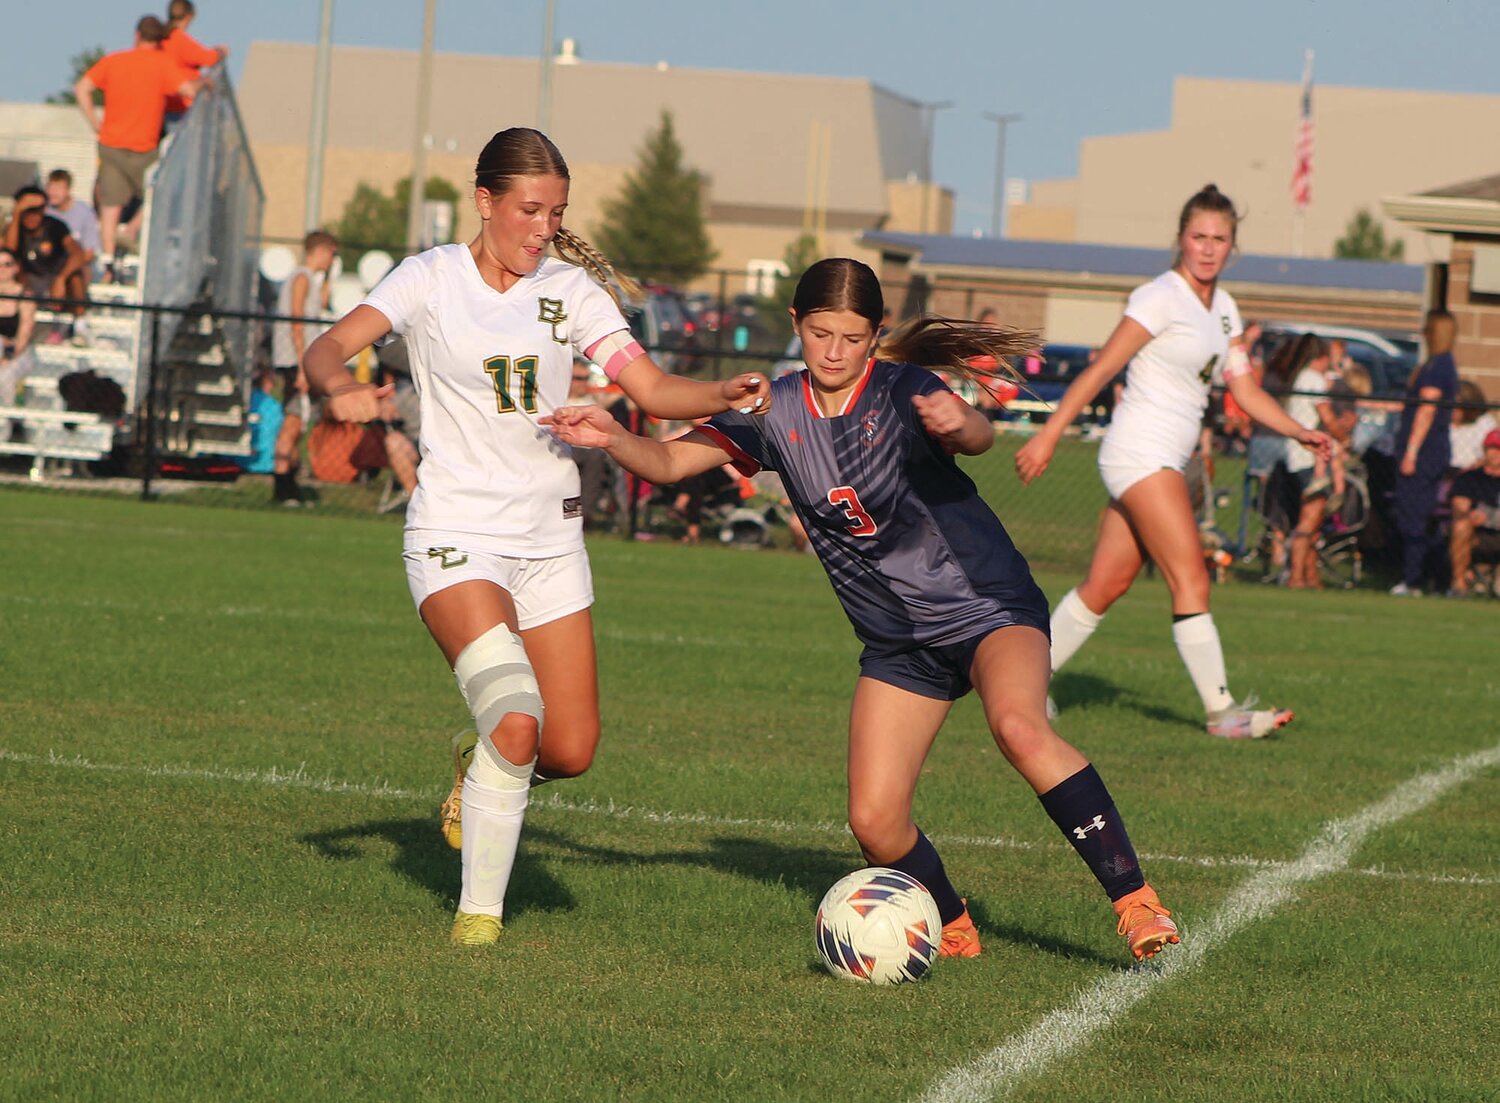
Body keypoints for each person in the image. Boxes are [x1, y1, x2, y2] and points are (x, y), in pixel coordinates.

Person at [549, 257, 1181, 964]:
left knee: (1019, 726)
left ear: (876, 337)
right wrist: (609, 436)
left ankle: (1135, 900)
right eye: (821, 334)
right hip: (897, 639)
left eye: (853, 338)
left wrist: (962, 419)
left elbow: (975, 438)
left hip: (983, 603)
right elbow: (668, 464)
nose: (835, 352)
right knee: (874, 819)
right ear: (797, 325)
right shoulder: (775, 409)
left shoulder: (905, 387)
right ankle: (949, 918)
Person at [301, 127, 770, 947]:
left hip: (550, 542)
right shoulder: (430, 278)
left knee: (571, 747)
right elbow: (326, 346)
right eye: (528, 209)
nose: (542, 228)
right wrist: (339, 387)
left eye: (555, 212)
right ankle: (477, 923)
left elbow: (652, 389)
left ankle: (473, 760)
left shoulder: (573, 292)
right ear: (484, 200)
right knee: (517, 718)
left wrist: (722, 390)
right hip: (454, 534)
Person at [1014, 184, 1331, 739]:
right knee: (1192, 579)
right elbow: (1099, 370)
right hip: (1140, 453)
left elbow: (1248, 391)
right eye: (1198, 237)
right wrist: (1048, 436)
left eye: (1220, 239)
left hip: (1161, 458)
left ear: (1233, 245)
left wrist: (1298, 429)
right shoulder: (1158, 296)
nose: (1208, 248)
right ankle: (1222, 713)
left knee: (1105, 585)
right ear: (1181, 239)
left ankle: (1021, 685)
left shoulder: (1224, 309)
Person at [73, 15, 203, 281]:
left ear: (137, 35)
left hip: (111, 143)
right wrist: (205, 82)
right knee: (155, 195)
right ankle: (132, 229)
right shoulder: (162, 64)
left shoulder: (115, 60)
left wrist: (94, 122)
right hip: (145, 148)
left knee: (110, 205)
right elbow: (188, 89)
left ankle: (107, 258)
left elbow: (82, 87)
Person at [1389, 310, 1461, 596]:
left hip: (1424, 451)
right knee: (1422, 513)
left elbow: (1427, 411)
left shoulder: (1437, 367)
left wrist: (1411, 452)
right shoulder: (1439, 365)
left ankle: (1414, 578)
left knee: (1414, 514)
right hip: (1430, 449)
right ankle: (1438, 578)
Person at [269, 230, 338, 505]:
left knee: (299, 424)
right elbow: (296, 322)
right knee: (292, 422)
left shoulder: (311, 280)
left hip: (303, 361)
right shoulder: (300, 277)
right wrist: (301, 367)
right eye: (331, 253)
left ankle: (290, 485)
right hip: (294, 361)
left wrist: (329, 277)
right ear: (320, 251)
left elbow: (320, 303)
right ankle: (281, 486)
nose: (332, 259)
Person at [1274, 332, 1346, 589]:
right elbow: (1326, 417)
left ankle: (1310, 576)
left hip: (1296, 457)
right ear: (1323, 357)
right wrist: (1345, 435)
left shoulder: (1301, 376)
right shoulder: (1313, 379)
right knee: (1309, 520)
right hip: (1308, 458)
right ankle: (1295, 576)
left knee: (1313, 522)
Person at [2, 187, 88, 339]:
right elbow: (9, 252)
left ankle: (80, 326)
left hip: (55, 280)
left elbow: (78, 254)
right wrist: (16, 214)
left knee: (76, 276)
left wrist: (60, 279)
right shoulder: (15, 229)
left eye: (37, 210)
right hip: (29, 284)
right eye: (27, 210)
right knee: (14, 270)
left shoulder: (56, 227)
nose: (32, 216)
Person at [43, 169, 102, 326]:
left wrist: (62, 275)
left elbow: (89, 252)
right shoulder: (43, 212)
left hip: (75, 267)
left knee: (76, 274)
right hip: (49, 266)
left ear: (68, 190)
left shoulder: (84, 213)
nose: (53, 192)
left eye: (58, 187)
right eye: (50, 187)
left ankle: (79, 322)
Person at [1447, 429, 1500, 598]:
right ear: (1485, 450)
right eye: (1493, 448)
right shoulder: (1470, 478)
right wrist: (1472, 516)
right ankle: (1459, 583)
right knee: (1462, 525)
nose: (1496, 453)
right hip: (1477, 535)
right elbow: (1460, 509)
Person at [161, 0, 228, 126]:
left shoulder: (160, 38)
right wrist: (220, 51)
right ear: (189, 17)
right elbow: (209, 58)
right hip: (178, 108)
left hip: (159, 105)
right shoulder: (179, 39)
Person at [0, 248, 38, 405]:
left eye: (7, 264)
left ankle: (10, 418)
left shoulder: (24, 296)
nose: (1, 269)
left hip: (17, 353)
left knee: (6, 375)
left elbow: (25, 332)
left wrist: (8, 356)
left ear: (16, 268)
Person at [1448, 379, 1497, 473]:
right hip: (1445, 472)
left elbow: (1489, 455)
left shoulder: (1484, 422)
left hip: (1472, 474)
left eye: (1457, 406)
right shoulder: (1443, 422)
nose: (1452, 410)